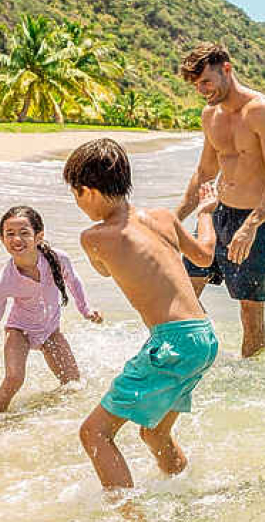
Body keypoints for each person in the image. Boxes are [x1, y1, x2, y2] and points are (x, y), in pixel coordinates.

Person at [64, 138, 219, 490]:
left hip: (173, 342)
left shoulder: (95, 237)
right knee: (154, 433)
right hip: (203, 338)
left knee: (94, 433)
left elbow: (104, 270)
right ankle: (187, 496)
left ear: (88, 191)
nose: (78, 205)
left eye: (76, 195)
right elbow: (206, 257)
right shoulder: (164, 218)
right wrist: (206, 212)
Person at [176, 42, 265, 358]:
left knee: (250, 314)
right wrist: (174, 221)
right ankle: (197, 356)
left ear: (226, 69)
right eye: (196, 84)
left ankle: (249, 385)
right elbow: (204, 172)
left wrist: (252, 224)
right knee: (183, 291)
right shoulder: (210, 115)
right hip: (218, 215)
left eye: (206, 81)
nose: (201, 90)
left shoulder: (262, 111)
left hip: (254, 223)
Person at [0, 206, 103, 413]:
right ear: (2, 239)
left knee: (73, 384)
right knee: (14, 379)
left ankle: (44, 416)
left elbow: (73, 281)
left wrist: (85, 309)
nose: (16, 239)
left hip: (50, 331)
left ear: (38, 236)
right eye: (10, 234)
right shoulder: (6, 281)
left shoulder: (58, 259)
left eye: (24, 233)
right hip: (19, 330)